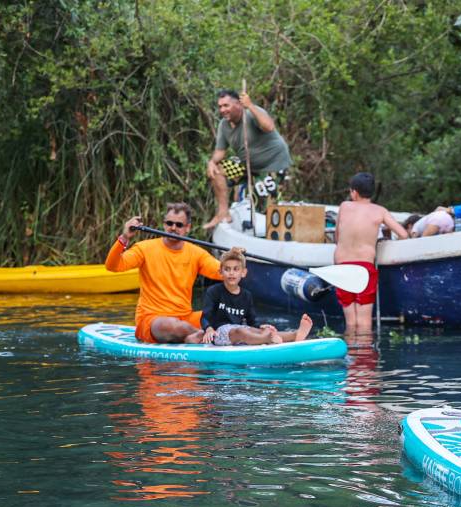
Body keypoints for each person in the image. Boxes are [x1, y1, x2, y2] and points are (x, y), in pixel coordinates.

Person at [106, 203, 222, 344]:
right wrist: (125, 237)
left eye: (179, 225)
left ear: (187, 228)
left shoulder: (196, 253)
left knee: (224, 313)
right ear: (164, 224)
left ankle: (197, 337)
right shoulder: (145, 248)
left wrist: (235, 259)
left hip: (185, 317)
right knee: (172, 325)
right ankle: (208, 336)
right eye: (169, 223)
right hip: (152, 320)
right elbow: (113, 266)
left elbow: (223, 273)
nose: (173, 228)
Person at [204, 89, 292, 230]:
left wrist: (250, 105)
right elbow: (220, 151)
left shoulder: (251, 113)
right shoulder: (223, 125)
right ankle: (223, 214)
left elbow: (269, 127)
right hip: (247, 165)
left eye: (226, 105)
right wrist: (211, 162)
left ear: (238, 104)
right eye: (220, 106)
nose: (222, 110)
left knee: (266, 209)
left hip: (272, 164)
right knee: (217, 172)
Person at [334, 172, 408, 334]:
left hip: (342, 267)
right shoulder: (380, 211)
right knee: (364, 322)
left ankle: (351, 356)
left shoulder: (344, 207)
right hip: (364, 268)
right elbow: (403, 234)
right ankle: (365, 358)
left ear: (354, 192)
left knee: (351, 323)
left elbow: (337, 236)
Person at [199, 247, 313, 345]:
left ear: (243, 273)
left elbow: (252, 322)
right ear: (220, 272)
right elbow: (205, 317)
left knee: (262, 330)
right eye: (227, 269)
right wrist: (208, 329)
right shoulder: (214, 291)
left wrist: (261, 327)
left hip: (240, 331)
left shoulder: (246, 295)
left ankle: (295, 334)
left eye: (236, 269)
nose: (231, 273)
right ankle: (267, 339)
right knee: (241, 331)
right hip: (220, 333)